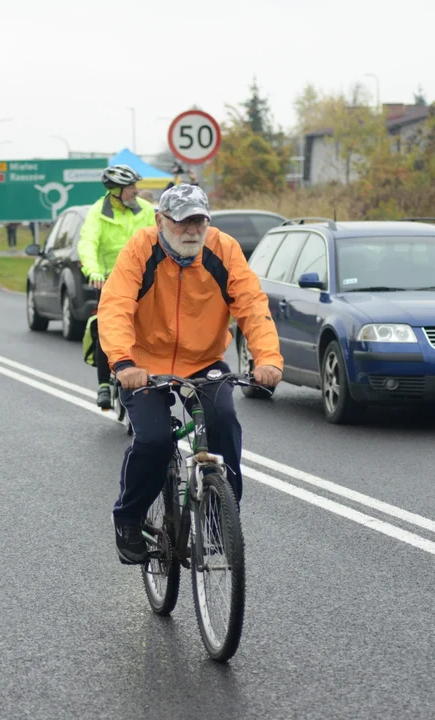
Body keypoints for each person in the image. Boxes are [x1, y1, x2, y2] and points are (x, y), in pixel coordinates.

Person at [96, 184, 283, 564]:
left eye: (198, 220)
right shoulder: (140, 248)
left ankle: (219, 521)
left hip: (204, 360)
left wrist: (268, 359)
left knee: (224, 422)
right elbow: (115, 306)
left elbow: (251, 304)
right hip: (143, 363)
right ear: (160, 220)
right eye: (181, 222)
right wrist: (123, 363)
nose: (191, 230)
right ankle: (129, 519)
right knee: (155, 440)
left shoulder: (223, 249)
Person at [77, 164, 157, 409]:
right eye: (131, 187)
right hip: (110, 279)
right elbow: (88, 243)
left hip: (144, 278)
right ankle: (103, 383)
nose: (136, 191)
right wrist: (93, 272)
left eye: (135, 186)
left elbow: (160, 236)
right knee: (107, 326)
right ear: (116, 190)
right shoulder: (98, 213)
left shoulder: (145, 210)